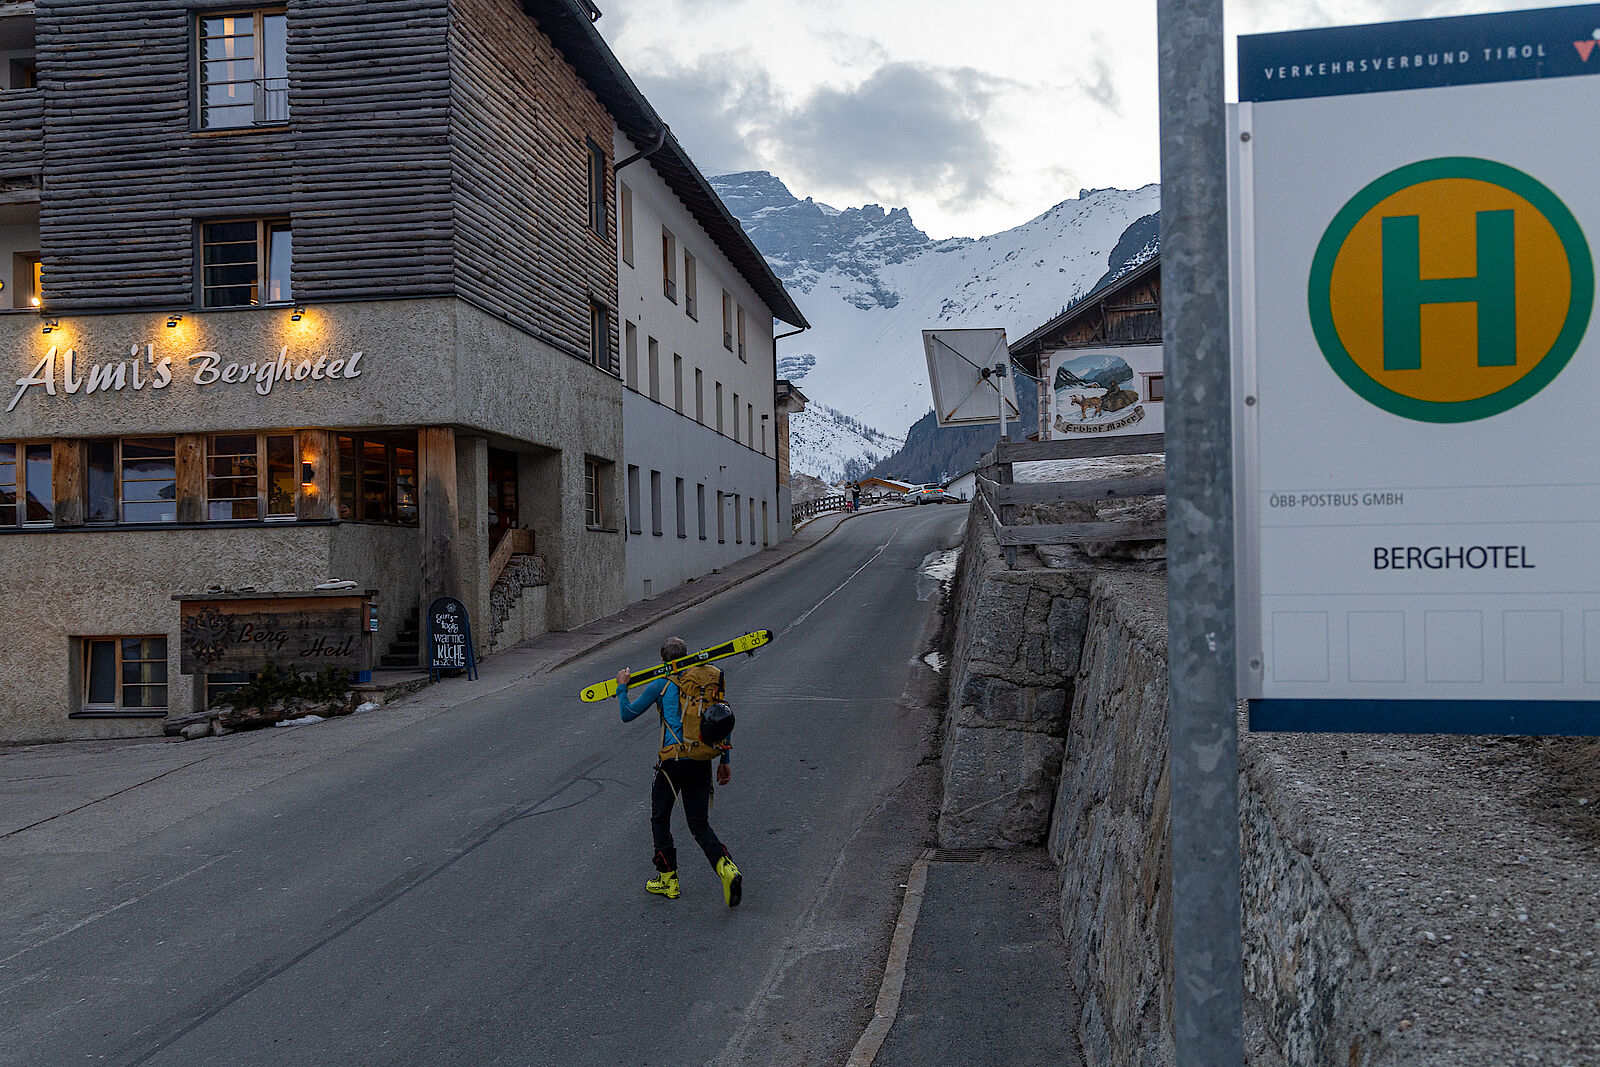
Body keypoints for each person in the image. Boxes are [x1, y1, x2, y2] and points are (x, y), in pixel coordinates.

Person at [617, 637, 742, 907]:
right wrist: (724, 760)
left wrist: (622, 688)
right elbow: (721, 719)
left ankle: (668, 879)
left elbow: (627, 714)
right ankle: (727, 868)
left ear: (663, 661)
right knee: (699, 825)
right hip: (700, 760)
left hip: (671, 763)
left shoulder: (661, 685)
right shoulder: (704, 684)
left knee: (660, 819)